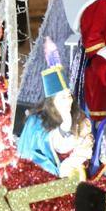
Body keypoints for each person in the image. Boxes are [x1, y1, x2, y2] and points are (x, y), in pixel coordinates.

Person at [17, 48, 93, 179]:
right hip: (40, 177)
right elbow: (38, 149)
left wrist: (70, 164)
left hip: (71, 176)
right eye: (62, 97)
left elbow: (86, 148)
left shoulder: (80, 118)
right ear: (52, 101)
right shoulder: (35, 121)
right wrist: (65, 126)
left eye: (69, 95)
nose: (68, 100)